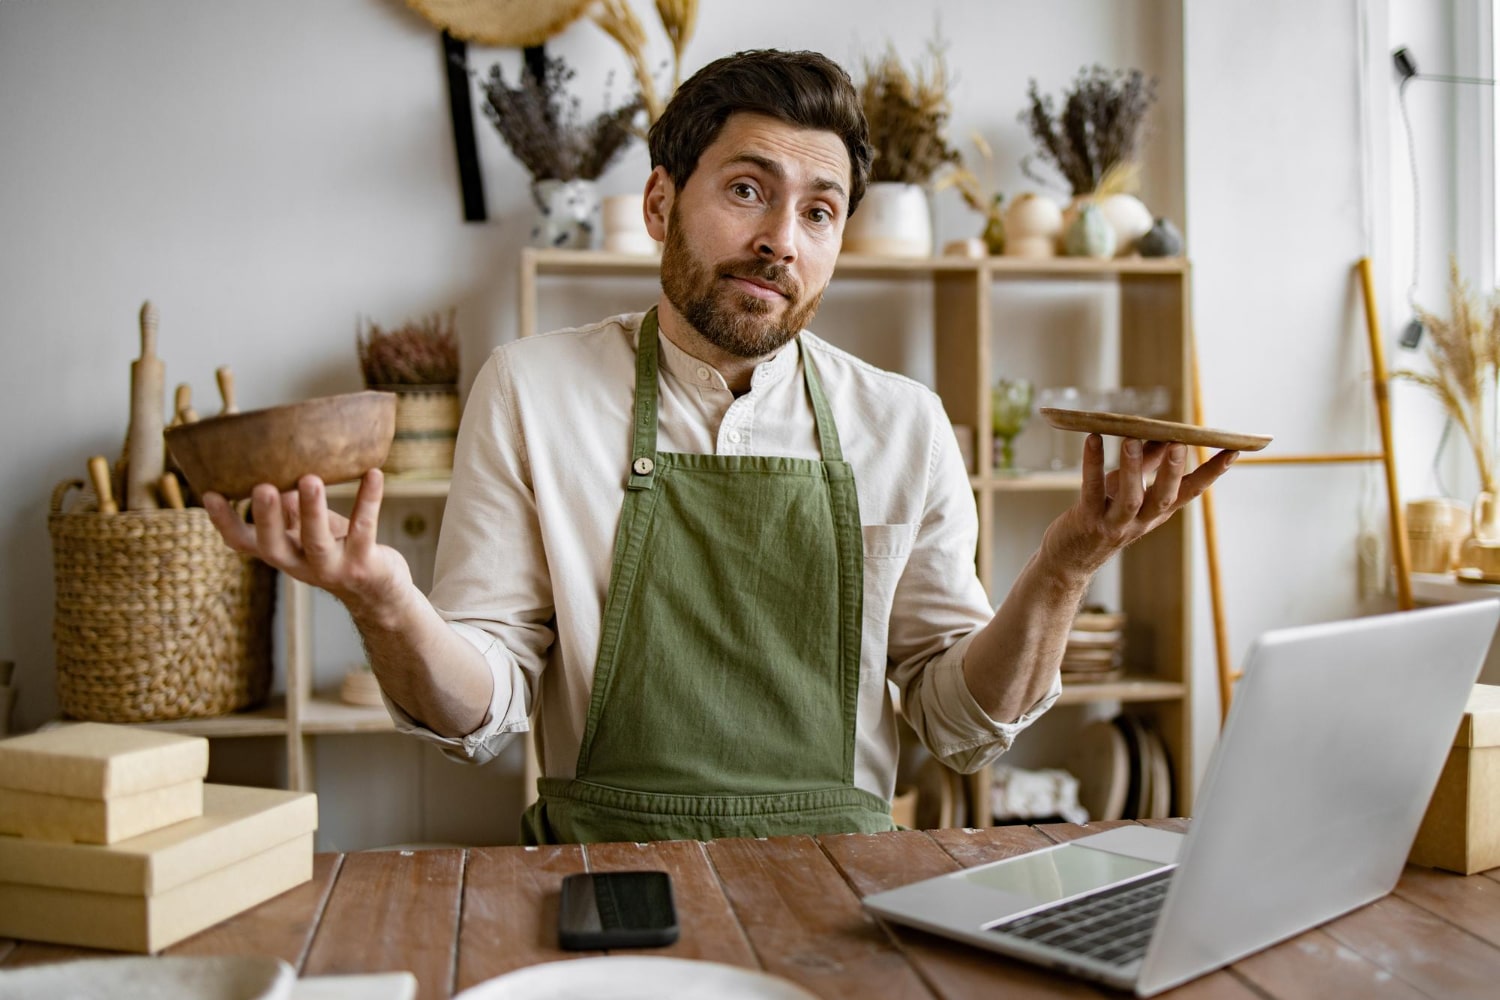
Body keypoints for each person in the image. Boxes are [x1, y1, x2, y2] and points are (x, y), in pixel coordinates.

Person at [205, 49, 1236, 845]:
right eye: (747, 190)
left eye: (819, 211)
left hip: (843, 876)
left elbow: (958, 719)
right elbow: (489, 709)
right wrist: (390, 605)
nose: (782, 237)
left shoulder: (904, 422)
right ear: (662, 203)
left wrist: (1061, 572)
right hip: (603, 877)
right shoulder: (531, 388)